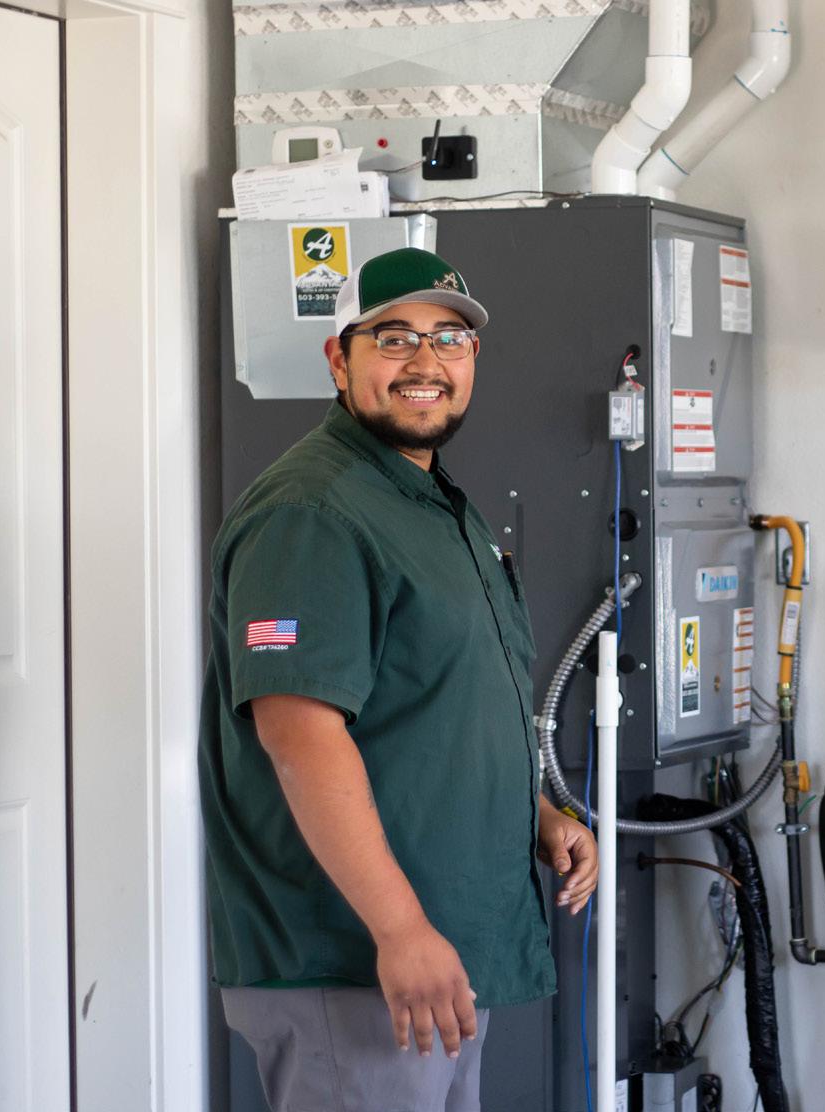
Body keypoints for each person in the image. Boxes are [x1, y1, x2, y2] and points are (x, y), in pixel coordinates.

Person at [200, 246, 598, 1112]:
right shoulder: (311, 512)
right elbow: (298, 733)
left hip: (439, 951)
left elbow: (428, 706)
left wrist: (532, 813)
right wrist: (400, 927)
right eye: (393, 337)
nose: (426, 361)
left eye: (449, 339)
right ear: (338, 359)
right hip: (356, 960)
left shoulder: (426, 502)